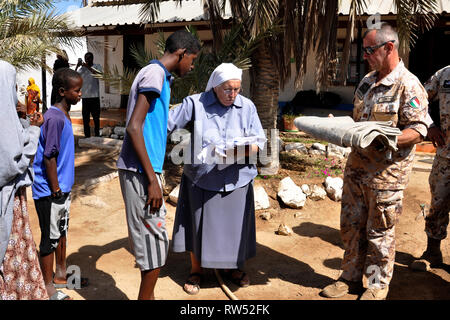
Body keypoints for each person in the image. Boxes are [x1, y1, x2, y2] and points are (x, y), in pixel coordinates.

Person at [320, 23, 429, 300]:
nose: (365, 55)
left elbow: (417, 130)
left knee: (379, 232)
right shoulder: (368, 80)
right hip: (356, 171)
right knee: (352, 227)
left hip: (386, 176)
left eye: (369, 50)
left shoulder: (409, 85)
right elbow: (359, 121)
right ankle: (349, 278)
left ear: (389, 47)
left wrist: (385, 139)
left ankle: (377, 286)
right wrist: (341, 127)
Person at [168, 63, 266, 295]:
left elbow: (259, 142)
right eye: (227, 89)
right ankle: (196, 270)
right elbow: (166, 124)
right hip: (202, 177)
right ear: (215, 86)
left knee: (234, 228)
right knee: (198, 225)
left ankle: (233, 268)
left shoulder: (247, 107)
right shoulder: (195, 103)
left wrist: (236, 152)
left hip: (237, 178)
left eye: (237, 89)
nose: (232, 94)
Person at [116, 29, 201, 300]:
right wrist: (152, 180)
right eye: (193, 60)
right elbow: (134, 127)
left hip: (143, 169)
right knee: (154, 244)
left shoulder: (159, 77)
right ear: (182, 53)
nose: (193, 65)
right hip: (141, 172)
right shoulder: (154, 74)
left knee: (150, 241)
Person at [32, 68, 83, 300]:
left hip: (61, 190)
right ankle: (48, 288)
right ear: (62, 92)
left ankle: (62, 274)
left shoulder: (62, 116)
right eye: (77, 90)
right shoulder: (53, 118)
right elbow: (49, 157)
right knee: (49, 239)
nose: (80, 94)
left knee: (61, 232)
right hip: (49, 192)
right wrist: (55, 190)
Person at [0, 60, 47, 300]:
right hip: (7, 205)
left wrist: (23, 121)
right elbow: (13, 162)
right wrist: (34, 130)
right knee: (14, 269)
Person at [410, 65, 449, 271]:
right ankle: (433, 253)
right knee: (438, 204)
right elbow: (417, 100)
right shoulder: (444, 75)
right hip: (445, 156)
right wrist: (430, 126)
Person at [76, 52, 102, 138]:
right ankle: (87, 136)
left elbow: (99, 75)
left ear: (92, 58)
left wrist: (87, 66)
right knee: (85, 119)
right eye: (86, 58)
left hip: (95, 97)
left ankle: (97, 135)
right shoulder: (82, 69)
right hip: (85, 98)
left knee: (96, 118)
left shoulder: (97, 66)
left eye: (89, 58)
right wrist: (77, 66)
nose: (87, 60)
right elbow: (73, 77)